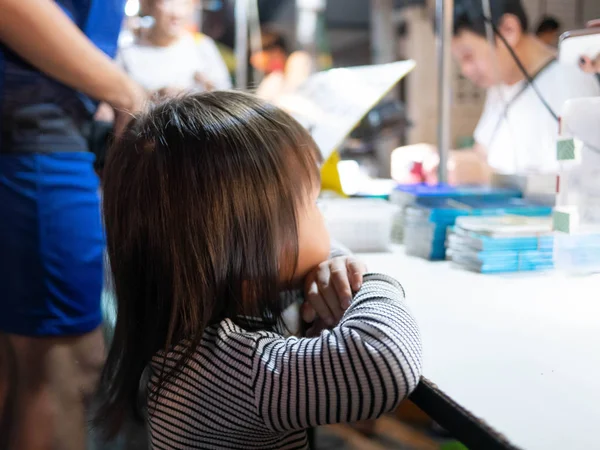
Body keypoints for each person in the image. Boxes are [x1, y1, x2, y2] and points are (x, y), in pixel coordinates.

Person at [94, 91, 422, 449]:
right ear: (255, 242)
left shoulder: (192, 335)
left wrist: (330, 267)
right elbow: (384, 362)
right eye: (312, 203)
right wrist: (367, 279)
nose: (323, 217)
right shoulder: (235, 370)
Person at [0, 0, 146, 449]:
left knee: (16, 370)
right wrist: (129, 94)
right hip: (34, 136)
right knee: (63, 369)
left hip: (38, 127)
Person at [396, 0, 600, 185]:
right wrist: (440, 159)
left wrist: (488, 175)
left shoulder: (572, 82)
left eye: (468, 56)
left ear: (509, 30)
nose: (466, 70)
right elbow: (483, 154)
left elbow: (575, 179)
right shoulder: (501, 87)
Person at [118, 0, 232, 96]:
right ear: (147, 5)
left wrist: (209, 89)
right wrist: (153, 96)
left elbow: (225, 94)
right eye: (167, 2)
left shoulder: (202, 46)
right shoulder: (128, 51)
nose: (177, 13)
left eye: (184, 3)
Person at [252, 29, 313, 102]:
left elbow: (297, 96)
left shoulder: (299, 59)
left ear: (276, 51)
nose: (252, 59)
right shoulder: (273, 77)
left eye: (256, 53)